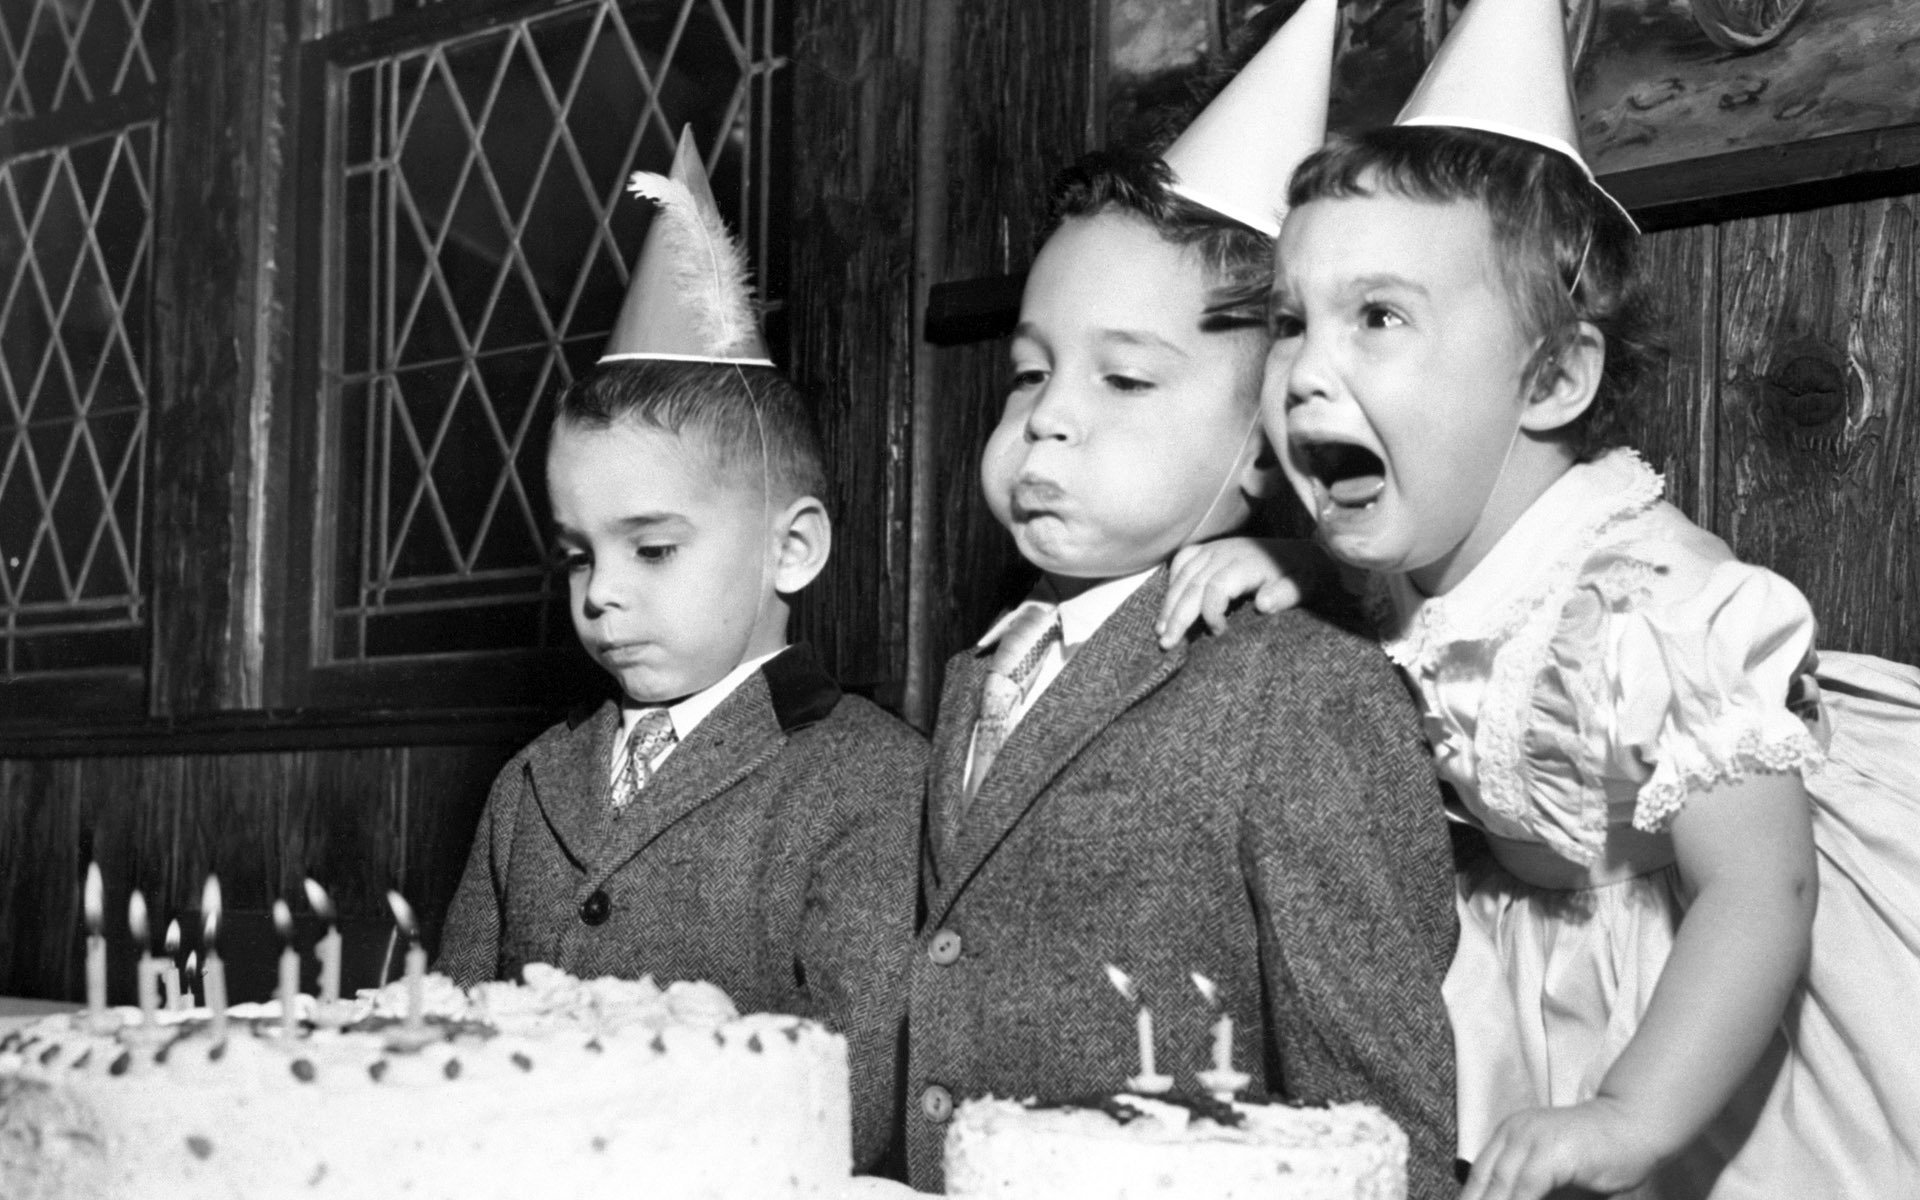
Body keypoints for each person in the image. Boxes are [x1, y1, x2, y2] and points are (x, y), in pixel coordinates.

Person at [1157, 2, 1920, 1193]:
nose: (1305, 371)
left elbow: (1763, 890)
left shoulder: (1657, 610)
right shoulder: (1406, 548)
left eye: (1379, 317)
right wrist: (1303, 566)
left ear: (1555, 378)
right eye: (1291, 324)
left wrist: (1627, 1115)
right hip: (1551, 953)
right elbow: (1413, 612)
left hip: (1734, 958)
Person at [903, 7, 1459, 1191]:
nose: (1048, 413)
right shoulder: (980, 669)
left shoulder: (1302, 692)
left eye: (1123, 376)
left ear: (1266, 443)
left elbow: (1373, 1101)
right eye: (1030, 371)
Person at [436, 130, 927, 1175]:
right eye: (577, 554)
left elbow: (854, 1099)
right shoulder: (531, 786)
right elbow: (444, 1051)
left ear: (789, 549)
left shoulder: (871, 784)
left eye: (652, 547)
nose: (603, 591)